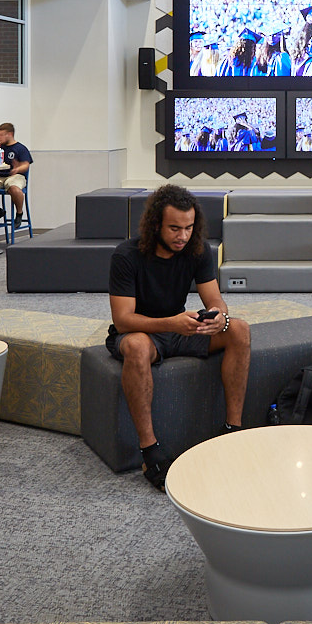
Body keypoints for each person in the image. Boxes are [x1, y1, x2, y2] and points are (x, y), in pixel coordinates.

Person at [107, 184, 251, 490]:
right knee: (135, 345)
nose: (182, 236)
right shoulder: (126, 256)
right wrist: (171, 324)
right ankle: (150, 450)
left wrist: (218, 316)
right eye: (174, 228)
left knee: (239, 329)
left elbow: (215, 299)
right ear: (156, 224)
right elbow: (122, 319)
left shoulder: (198, 250)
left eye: (188, 228)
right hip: (142, 331)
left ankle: (232, 429)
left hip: (179, 328)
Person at [0, 122, 32, 228]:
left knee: (13, 188)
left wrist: (17, 168)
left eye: (1, 135)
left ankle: (19, 213)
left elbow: (26, 165)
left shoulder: (20, 148)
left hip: (15, 176)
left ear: (9, 134)